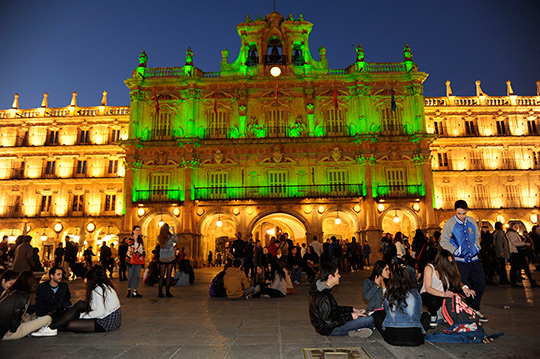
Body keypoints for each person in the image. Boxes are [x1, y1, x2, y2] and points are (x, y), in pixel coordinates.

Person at [35, 265, 121, 335]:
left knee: (71, 324)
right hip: (109, 317)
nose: (84, 280)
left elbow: (100, 312)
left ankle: (51, 328)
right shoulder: (102, 286)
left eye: (86, 278)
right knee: (80, 304)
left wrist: (81, 316)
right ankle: (51, 327)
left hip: (107, 322)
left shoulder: (97, 290)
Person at [439, 200, 487, 322]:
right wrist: (455, 251)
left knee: (481, 283)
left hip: (474, 258)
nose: (462, 216)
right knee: (463, 285)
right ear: (455, 211)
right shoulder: (449, 224)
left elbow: (477, 236)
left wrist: (477, 246)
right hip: (460, 260)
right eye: (459, 213)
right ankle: (466, 309)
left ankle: (475, 307)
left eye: (464, 213)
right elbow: (443, 241)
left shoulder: (471, 221)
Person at [309, 263, 374, 337]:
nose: (339, 276)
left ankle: (354, 331)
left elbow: (334, 309)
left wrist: (351, 310)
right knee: (369, 320)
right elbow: (329, 323)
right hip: (330, 329)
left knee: (363, 317)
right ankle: (353, 331)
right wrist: (350, 316)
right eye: (337, 274)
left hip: (331, 324)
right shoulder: (324, 296)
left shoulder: (322, 290)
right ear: (330, 277)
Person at [372, 266, 430, 346]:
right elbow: (418, 313)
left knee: (377, 314)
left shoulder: (389, 293)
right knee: (426, 315)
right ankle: (418, 332)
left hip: (392, 338)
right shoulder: (415, 292)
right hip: (415, 338)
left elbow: (386, 312)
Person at [420, 249, 477, 327]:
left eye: (451, 262)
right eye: (448, 263)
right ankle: (434, 315)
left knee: (469, 295)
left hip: (443, 295)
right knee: (433, 301)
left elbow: (456, 281)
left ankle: (459, 314)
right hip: (429, 294)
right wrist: (444, 294)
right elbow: (428, 288)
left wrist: (465, 288)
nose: (450, 265)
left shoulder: (447, 270)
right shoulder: (429, 268)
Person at [1, 271, 54, 339]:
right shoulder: (22, 296)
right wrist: (12, 330)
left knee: (31, 317)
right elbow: (16, 315)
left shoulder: (8, 291)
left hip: (4, 328)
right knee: (48, 318)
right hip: (6, 333)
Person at [506, 221, 539, 288]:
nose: (516, 227)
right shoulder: (511, 234)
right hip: (516, 253)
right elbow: (514, 243)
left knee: (516, 268)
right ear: (511, 227)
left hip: (517, 253)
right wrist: (524, 243)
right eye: (515, 226)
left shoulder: (513, 233)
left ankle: (515, 282)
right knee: (518, 268)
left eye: (517, 226)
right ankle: (528, 282)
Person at [157, 223, 178, 298]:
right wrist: (174, 232)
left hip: (162, 258)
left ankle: (160, 292)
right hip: (170, 258)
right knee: (168, 276)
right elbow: (177, 241)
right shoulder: (171, 237)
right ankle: (167, 292)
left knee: (162, 276)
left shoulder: (159, 237)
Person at [126, 225, 145, 298]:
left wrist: (143, 254)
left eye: (139, 230)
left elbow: (142, 248)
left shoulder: (140, 239)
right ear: (133, 231)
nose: (138, 232)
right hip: (131, 259)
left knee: (137, 276)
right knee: (130, 276)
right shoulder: (131, 239)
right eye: (137, 230)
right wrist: (139, 255)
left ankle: (135, 291)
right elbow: (132, 248)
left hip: (138, 261)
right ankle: (128, 290)